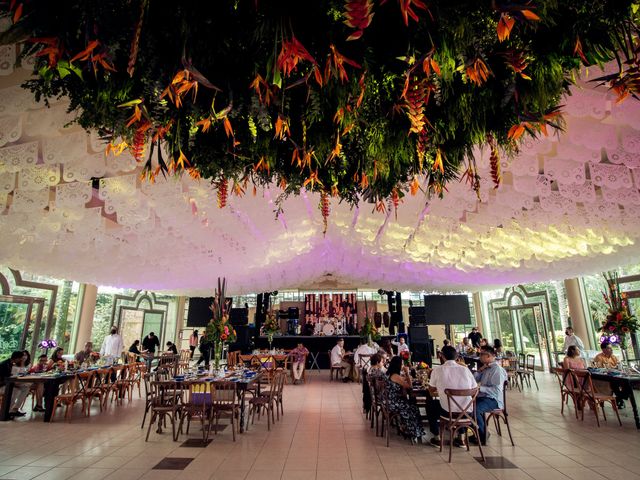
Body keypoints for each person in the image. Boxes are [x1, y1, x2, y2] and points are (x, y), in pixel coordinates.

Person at [427, 345, 477, 447]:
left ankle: (437, 437)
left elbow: (431, 390)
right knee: (461, 405)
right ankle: (461, 438)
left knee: (430, 404)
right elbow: (474, 389)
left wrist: (440, 388)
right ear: (456, 356)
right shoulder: (465, 370)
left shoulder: (437, 370)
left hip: (447, 412)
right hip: (467, 412)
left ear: (441, 356)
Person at [470, 346, 507, 446]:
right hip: (483, 397)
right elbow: (473, 380)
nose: (479, 357)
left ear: (488, 356)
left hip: (493, 399)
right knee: (467, 407)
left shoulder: (497, 370)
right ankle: (474, 432)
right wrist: (480, 370)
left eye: (481, 354)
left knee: (475, 410)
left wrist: (480, 388)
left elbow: (496, 390)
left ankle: (483, 434)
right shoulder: (486, 368)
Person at [385, 356, 426, 442]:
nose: (403, 365)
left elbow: (402, 383)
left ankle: (409, 429)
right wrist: (407, 373)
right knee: (414, 407)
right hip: (394, 403)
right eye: (402, 364)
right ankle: (412, 431)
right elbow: (410, 386)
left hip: (391, 400)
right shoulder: (395, 376)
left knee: (412, 404)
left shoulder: (392, 374)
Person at [0, 351, 30, 417]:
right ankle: (6, 411)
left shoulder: (12, 363)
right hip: (2, 385)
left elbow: (17, 374)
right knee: (16, 390)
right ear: (17, 358)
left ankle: (14, 409)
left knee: (26, 388)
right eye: (21, 358)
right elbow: (4, 379)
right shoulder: (4, 364)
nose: (21, 360)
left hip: (9, 383)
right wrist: (14, 384)